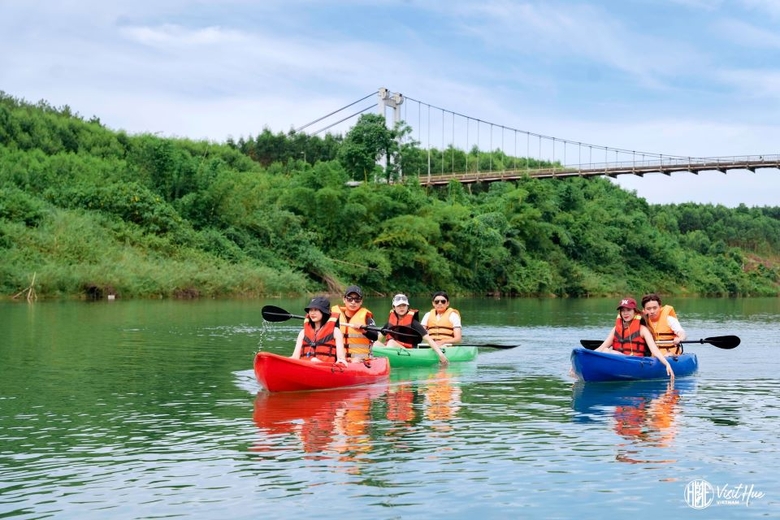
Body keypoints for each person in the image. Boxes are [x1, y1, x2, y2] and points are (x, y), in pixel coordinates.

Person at [595, 297, 674, 381]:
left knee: (607, 351)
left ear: (635, 311)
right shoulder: (616, 329)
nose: (625, 313)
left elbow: (655, 350)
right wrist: (586, 355)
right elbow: (601, 348)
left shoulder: (642, 329)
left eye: (628, 310)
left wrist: (667, 364)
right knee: (605, 350)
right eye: (623, 310)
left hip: (637, 363)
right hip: (620, 361)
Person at [378, 293, 449, 366]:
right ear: (394, 307)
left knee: (391, 342)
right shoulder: (389, 323)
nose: (401, 308)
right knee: (376, 344)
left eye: (404, 305)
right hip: (395, 349)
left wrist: (441, 355)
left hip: (410, 351)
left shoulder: (414, 323)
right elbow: (378, 338)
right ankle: (380, 361)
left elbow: (428, 339)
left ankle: (387, 361)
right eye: (399, 306)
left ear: (407, 307)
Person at [290, 296, 347, 366]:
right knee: (312, 360)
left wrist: (341, 361)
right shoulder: (302, 333)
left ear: (324, 312)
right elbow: (295, 357)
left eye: (316, 310)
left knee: (314, 360)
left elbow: (341, 359)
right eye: (310, 310)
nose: (312, 313)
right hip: (305, 366)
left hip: (327, 369)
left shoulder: (336, 332)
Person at [330, 285, 378, 362]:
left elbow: (375, 336)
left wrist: (364, 330)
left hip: (360, 360)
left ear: (361, 301)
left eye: (357, 300)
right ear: (344, 299)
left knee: (355, 361)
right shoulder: (333, 316)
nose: (353, 302)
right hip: (339, 359)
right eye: (350, 299)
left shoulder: (366, 318)